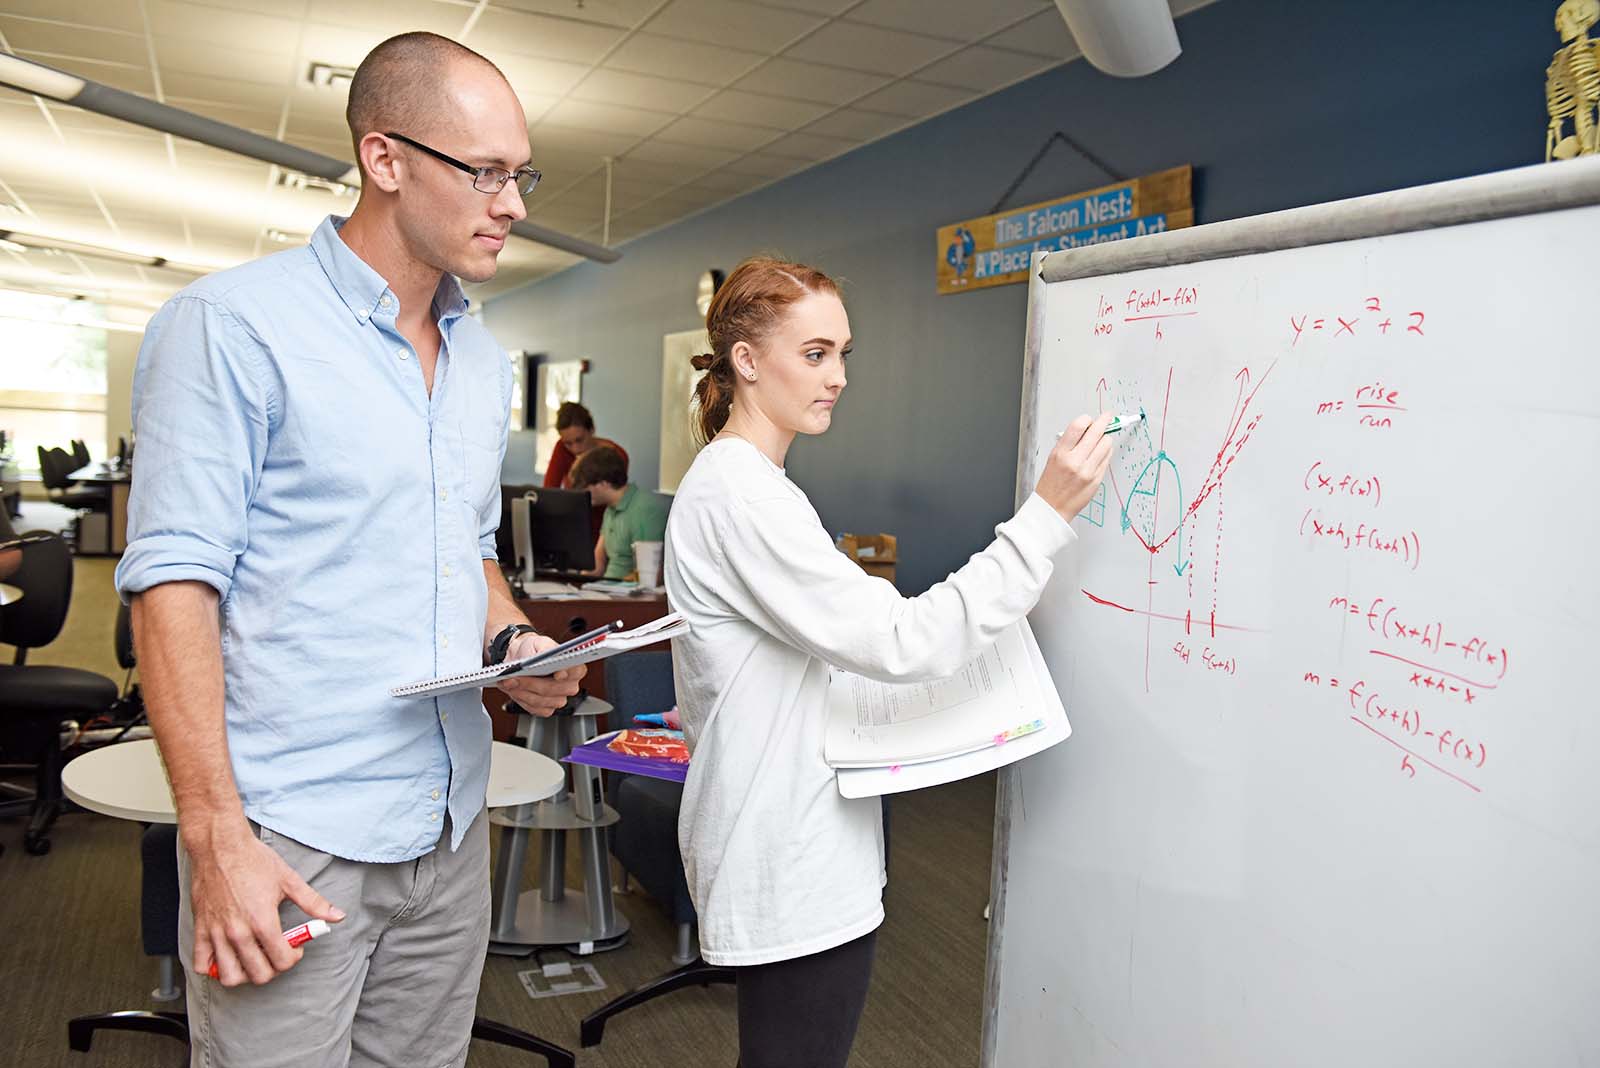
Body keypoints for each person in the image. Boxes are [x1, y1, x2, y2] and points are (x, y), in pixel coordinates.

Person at [113, 32, 583, 1068]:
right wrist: (215, 837)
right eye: (487, 172)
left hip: (447, 821)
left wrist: (512, 645)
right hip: (291, 828)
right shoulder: (231, 326)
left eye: (521, 174)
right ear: (384, 159)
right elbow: (172, 587)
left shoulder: (478, 355)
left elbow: (466, 548)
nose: (513, 202)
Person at [663, 257, 1113, 1068]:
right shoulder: (742, 494)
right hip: (788, 846)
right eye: (814, 354)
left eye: (843, 354)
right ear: (746, 360)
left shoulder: (751, 484)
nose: (837, 376)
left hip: (795, 829)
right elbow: (906, 641)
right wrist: (1044, 518)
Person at [567, 444, 669, 580]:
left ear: (604, 484)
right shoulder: (610, 509)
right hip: (608, 589)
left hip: (626, 593)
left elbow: (649, 574)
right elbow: (598, 563)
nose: (583, 493)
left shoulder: (645, 510)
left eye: (585, 487)